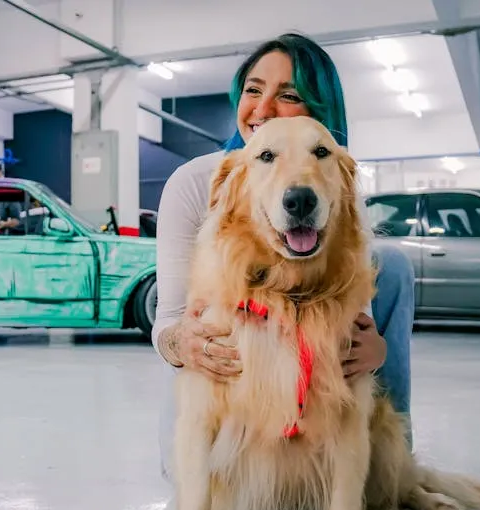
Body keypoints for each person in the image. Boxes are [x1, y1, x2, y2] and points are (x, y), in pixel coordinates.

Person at [153, 33, 416, 480]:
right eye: (253, 90)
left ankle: (393, 464)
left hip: (312, 399)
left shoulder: (333, 183)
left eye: (288, 95)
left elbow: (352, 314)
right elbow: (167, 321)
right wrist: (184, 344)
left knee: (392, 264)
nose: (261, 108)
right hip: (229, 405)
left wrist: (375, 350)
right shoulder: (196, 182)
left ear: (319, 115)